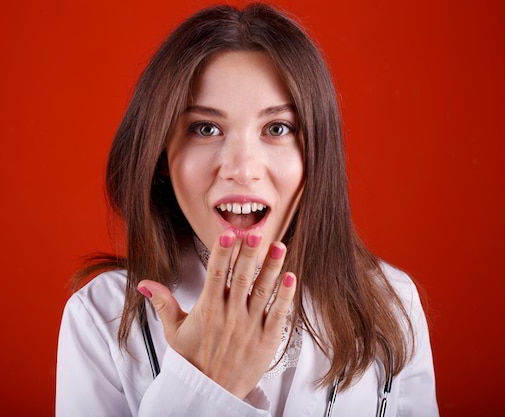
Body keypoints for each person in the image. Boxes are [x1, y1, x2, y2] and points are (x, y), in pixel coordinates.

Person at [56, 3, 439, 416]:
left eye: (277, 129)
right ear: (162, 156)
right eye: (206, 129)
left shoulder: (391, 302)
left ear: (318, 153)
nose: (241, 169)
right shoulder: (100, 317)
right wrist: (204, 383)